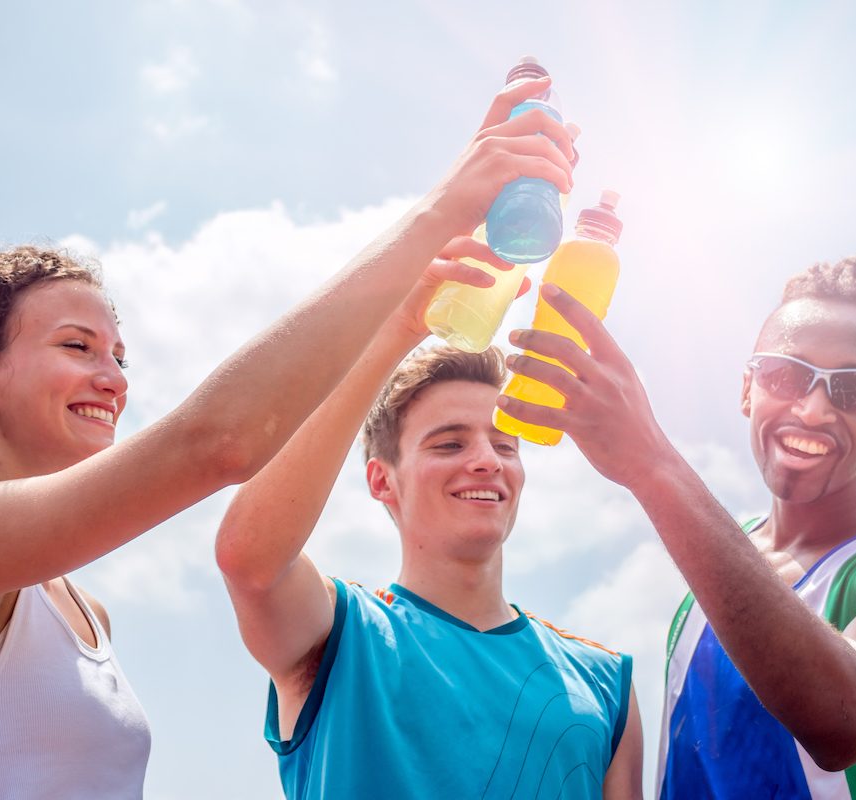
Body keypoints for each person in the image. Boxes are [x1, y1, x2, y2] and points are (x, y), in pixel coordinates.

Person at [0, 74, 575, 799]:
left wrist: (403, 321)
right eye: (77, 347)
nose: (112, 378)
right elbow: (220, 442)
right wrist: (438, 212)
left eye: (119, 356)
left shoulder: (81, 610)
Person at [498, 255, 856, 799]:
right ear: (747, 389)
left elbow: (848, 720)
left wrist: (652, 465)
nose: (812, 410)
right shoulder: (715, 570)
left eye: (855, 388)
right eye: (787, 374)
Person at [215, 221, 643, 795]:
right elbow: (249, 559)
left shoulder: (606, 682)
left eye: (504, 445)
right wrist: (398, 329)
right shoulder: (339, 633)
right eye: (449, 443)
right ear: (381, 480)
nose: (487, 461)